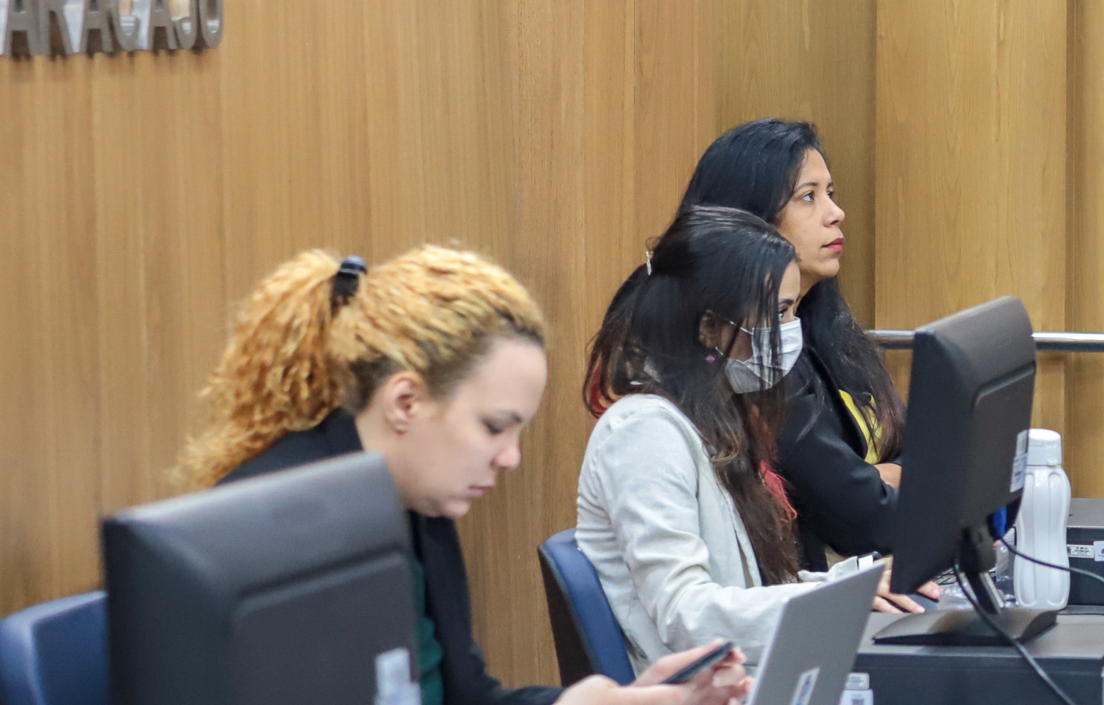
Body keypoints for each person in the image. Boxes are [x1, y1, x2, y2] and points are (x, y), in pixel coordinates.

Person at [178, 244, 747, 705]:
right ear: (405, 402)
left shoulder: (417, 506)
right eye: (494, 427)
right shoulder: (271, 538)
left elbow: (466, 696)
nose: (510, 458)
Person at [577, 206, 923, 671]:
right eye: (778, 313)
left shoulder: (713, 415)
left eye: (793, 309)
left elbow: (746, 593)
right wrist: (834, 605)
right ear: (708, 327)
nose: (791, 330)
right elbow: (688, 615)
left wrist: (854, 585)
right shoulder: (644, 433)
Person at [679, 119, 903, 567]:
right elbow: (861, 517)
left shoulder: (822, 324)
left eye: (830, 193)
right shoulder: (750, 356)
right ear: (749, 222)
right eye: (808, 197)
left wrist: (882, 476)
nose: (836, 213)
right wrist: (881, 479)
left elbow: (914, 448)